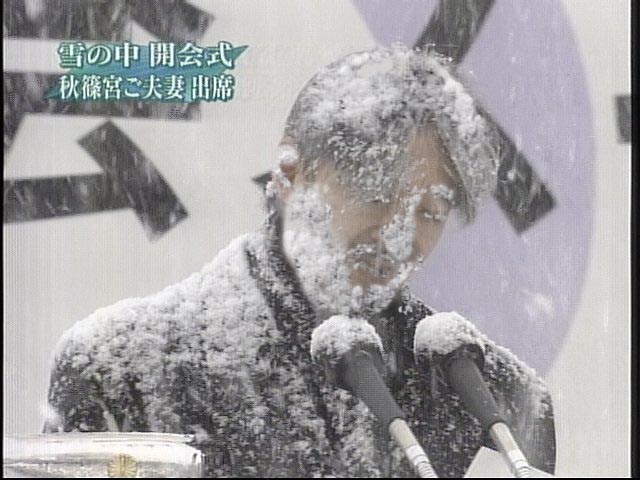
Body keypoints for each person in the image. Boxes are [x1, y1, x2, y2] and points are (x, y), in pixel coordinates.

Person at [44, 45, 555, 477]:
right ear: (290, 173)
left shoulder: (471, 385)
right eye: (377, 193)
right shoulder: (121, 366)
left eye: (431, 212)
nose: (400, 236)